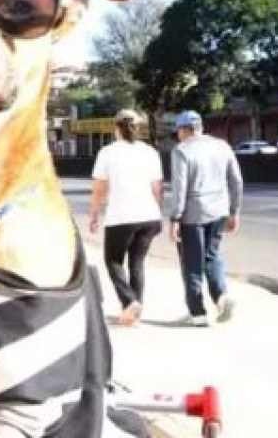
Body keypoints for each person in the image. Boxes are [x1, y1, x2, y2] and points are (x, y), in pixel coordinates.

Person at [167, 111, 244, 327]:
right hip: (219, 210)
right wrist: (234, 211)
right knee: (212, 255)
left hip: (193, 214)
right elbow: (236, 181)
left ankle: (198, 313)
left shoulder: (181, 151)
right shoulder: (222, 146)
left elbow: (179, 189)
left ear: (184, 130)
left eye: (179, 131)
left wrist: (174, 219)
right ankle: (222, 297)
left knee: (192, 262)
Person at [88, 109, 164, 326]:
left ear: (116, 128)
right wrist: (157, 212)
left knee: (113, 261)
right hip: (149, 216)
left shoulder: (108, 153)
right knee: (137, 263)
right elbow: (157, 188)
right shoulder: (150, 152)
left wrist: (94, 214)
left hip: (122, 217)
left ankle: (129, 302)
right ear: (137, 128)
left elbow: (99, 189)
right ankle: (133, 313)